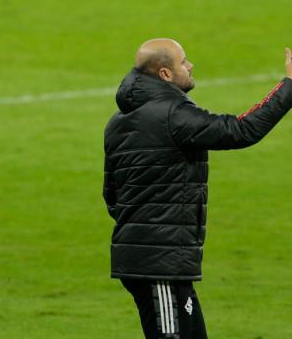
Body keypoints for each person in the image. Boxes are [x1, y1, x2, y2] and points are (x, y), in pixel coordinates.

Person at [102, 38, 292, 339]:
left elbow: (111, 195)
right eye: (183, 62)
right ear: (165, 74)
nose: (190, 66)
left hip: (156, 257)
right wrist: (289, 87)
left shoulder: (118, 121)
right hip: (157, 264)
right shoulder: (171, 114)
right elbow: (241, 130)